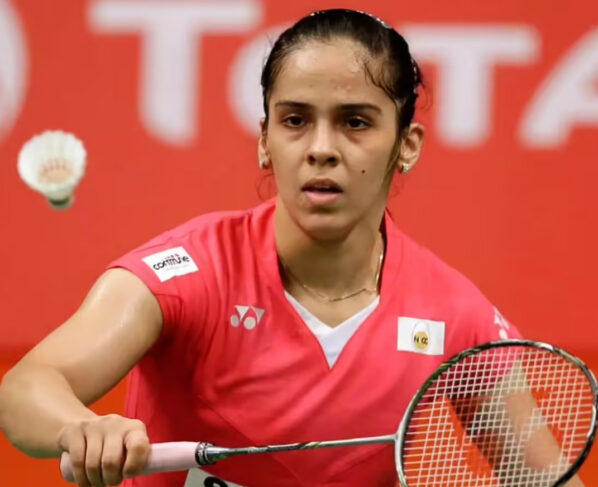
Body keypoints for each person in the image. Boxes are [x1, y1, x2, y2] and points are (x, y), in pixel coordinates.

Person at [0, 9, 584, 487]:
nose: (321, 148)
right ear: (265, 139)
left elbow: (548, 479)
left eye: (355, 122)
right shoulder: (192, 273)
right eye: (296, 120)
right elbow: (26, 388)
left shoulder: (452, 313)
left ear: (406, 145)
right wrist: (80, 428)